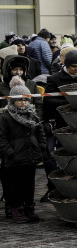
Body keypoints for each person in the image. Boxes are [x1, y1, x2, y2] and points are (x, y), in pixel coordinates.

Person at [0, 79, 46, 223]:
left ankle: (29, 208)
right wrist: (10, 153)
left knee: (29, 184)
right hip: (14, 158)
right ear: (12, 101)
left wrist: (42, 146)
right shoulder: (5, 117)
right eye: (19, 100)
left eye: (26, 99)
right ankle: (16, 209)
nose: (23, 103)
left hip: (30, 155)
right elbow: (2, 138)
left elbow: (40, 132)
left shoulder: (32, 114)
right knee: (15, 186)